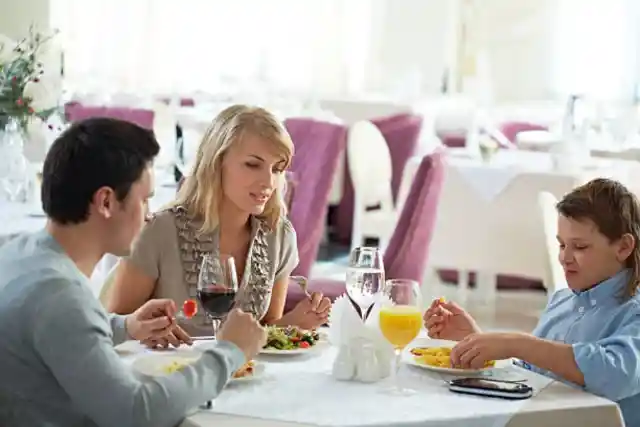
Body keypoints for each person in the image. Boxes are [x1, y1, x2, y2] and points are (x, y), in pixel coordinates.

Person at [0, 118, 267, 427]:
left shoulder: (20, 253)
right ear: (106, 202)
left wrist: (125, 326)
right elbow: (136, 412)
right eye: (144, 199)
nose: (150, 212)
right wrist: (229, 353)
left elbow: (53, 334)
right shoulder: (60, 295)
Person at [424, 178, 640, 427]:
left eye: (580, 246)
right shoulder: (562, 301)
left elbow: (615, 373)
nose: (564, 257)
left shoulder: (632, 311)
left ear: (623, 247)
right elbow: (529, 375)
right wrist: (476, 342)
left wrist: (517, 343)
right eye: (561, 244)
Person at [107, 104, 331, 343]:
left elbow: (262, 333)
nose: (268, 181)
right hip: (169, 373)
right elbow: (115, 331)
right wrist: (146, 334)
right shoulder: (159, 232)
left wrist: (293, 323)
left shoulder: (279, 237)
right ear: (216, 163)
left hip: (244, 378)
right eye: (253, 165)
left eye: (277, 169)